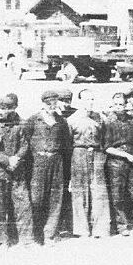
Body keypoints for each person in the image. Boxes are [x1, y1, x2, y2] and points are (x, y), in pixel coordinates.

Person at [0, 95, 32, 248]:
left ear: (13, 109)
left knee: (23, 205)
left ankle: (26, 238)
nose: (1, 112)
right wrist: (6, 160)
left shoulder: (20, 125)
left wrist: (16, 158)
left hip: (16, 172)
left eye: (5, 108)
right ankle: (0, 240)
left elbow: (25, 145)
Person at [25, 90, 70, 244]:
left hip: (56, 162)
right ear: (42, 103)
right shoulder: (33, 120)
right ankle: (37, 234)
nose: (52, 105)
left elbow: (66, 146)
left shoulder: (61, 122)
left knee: (55, 198)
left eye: (54, 102)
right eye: (48, 103)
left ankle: (50, 233)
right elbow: (25, 141)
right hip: (38, 162)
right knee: (37, 198)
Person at [104, 92, 133, 236]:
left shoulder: (132, 121)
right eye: (116, 105)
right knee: (118, 196)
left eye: (122, 105)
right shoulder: (108, 123)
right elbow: (106, 147)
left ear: (126, 105)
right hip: (115, 163)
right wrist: (125, 155)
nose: (119, 107)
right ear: (112, 105)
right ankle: (122, 226)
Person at [67, 89, 111, 238]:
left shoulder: (100, 118)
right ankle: (81, 229)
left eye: (92, 99)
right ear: (79, 102)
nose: (90, 102)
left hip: (97, 154)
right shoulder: (72, 120)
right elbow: (67, 143)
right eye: (86, 99)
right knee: (80, 191)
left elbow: (105, 138)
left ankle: (101, 228)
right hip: (78, 154)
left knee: (99, 190)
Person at [55, 88, 75, 238]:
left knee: (69, 190)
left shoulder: (74, 114)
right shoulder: (53, 116)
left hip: (71, 157)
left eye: (68, 101)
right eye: (62, 101)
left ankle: (68, 223)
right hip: (57, 158)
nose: (65, 104)